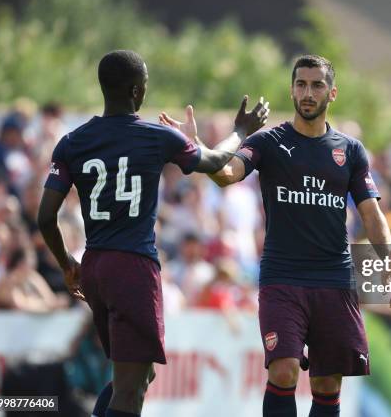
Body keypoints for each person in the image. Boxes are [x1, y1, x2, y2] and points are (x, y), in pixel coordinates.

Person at [37, 49, 269, 417]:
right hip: (133, 268)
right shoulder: (155, 137)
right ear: (135, 92)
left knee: (132, 380)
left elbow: (45, 216)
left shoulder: (72, 142)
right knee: (129, 393)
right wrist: (241, 130)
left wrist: (67, 262)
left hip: (95, 265)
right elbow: (213, 162)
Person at [160, 54, 391, 417]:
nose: (308, 92)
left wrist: (390, 261)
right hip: (282, 277)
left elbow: (371, 213)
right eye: (301, 84)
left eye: (317, 85)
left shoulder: (350, 150)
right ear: (291, 90)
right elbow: (225, 174)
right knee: (283, 371)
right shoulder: (270, 142)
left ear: (332, 93)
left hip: (334, 277)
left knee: (327, 383)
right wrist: (198, 149)